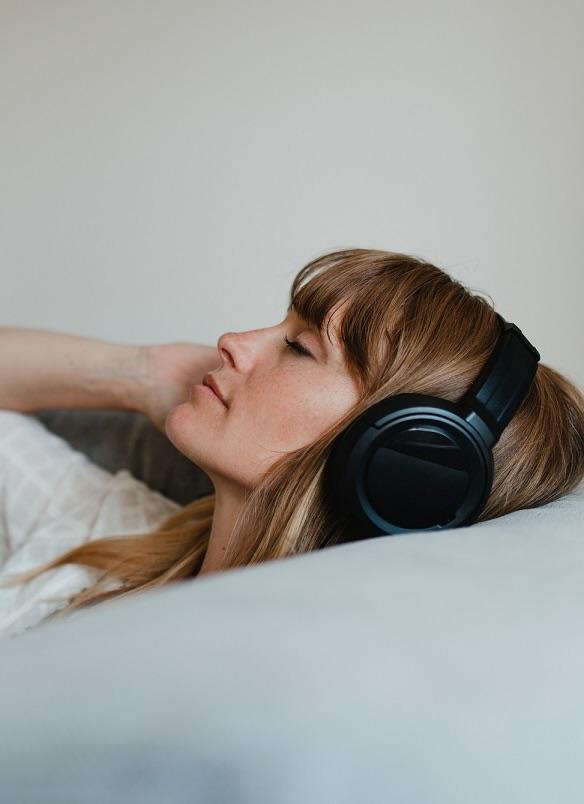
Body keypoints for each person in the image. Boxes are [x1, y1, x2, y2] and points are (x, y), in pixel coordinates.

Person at [1, 247, 583, 637]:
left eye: (300, 347)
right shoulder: (107, 536)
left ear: (398, 463)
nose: (231, 340)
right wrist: (144, 373)